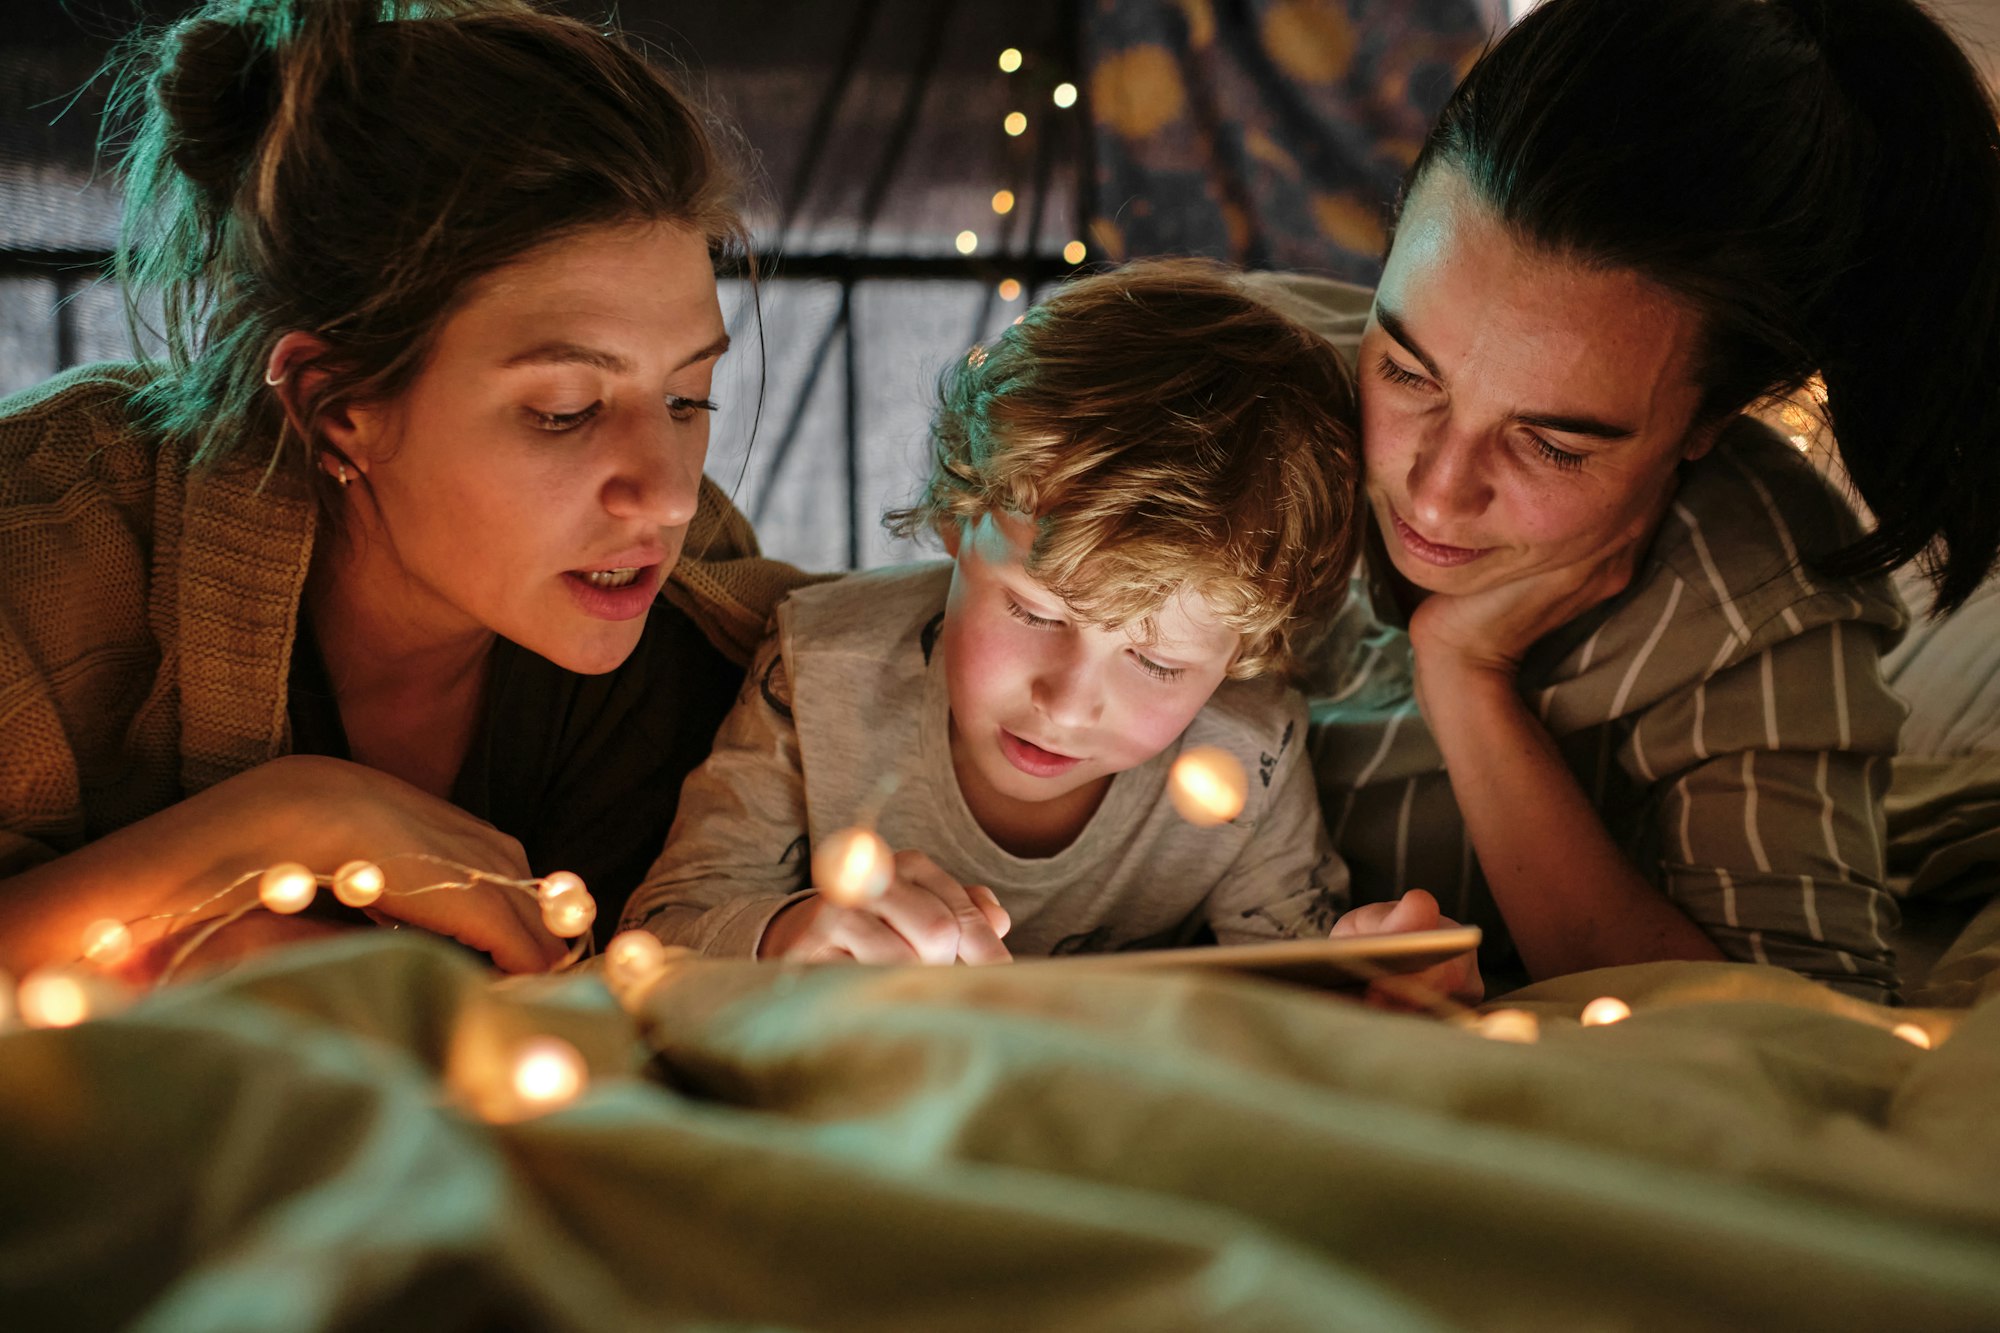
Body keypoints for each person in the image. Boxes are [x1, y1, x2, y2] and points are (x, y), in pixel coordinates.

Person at [0, 0, 805, 978]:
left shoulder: (700, 632)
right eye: (563, 410)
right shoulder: (46, 538)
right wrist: (286, 820)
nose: (668, 496)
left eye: (687, 397)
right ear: (336, 405)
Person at [1249, 0, 2000, 1000]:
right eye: (1404, 369)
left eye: (1552, 442)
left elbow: (1795, 1032)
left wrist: (1465, 676)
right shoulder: (1231, 386)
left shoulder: (1755, 596)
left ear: (1710, 420)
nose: (1432, 489)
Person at [621, 261, 1382, 966]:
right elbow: (658, 933)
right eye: (1035, 612)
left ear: (1246, 647)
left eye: (1157, 662)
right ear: (958, 513)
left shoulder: (1252, 752)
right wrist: (784, 934)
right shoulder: (819, 670)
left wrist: (1376, 986)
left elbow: (1305, 986)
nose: (1067, 702)